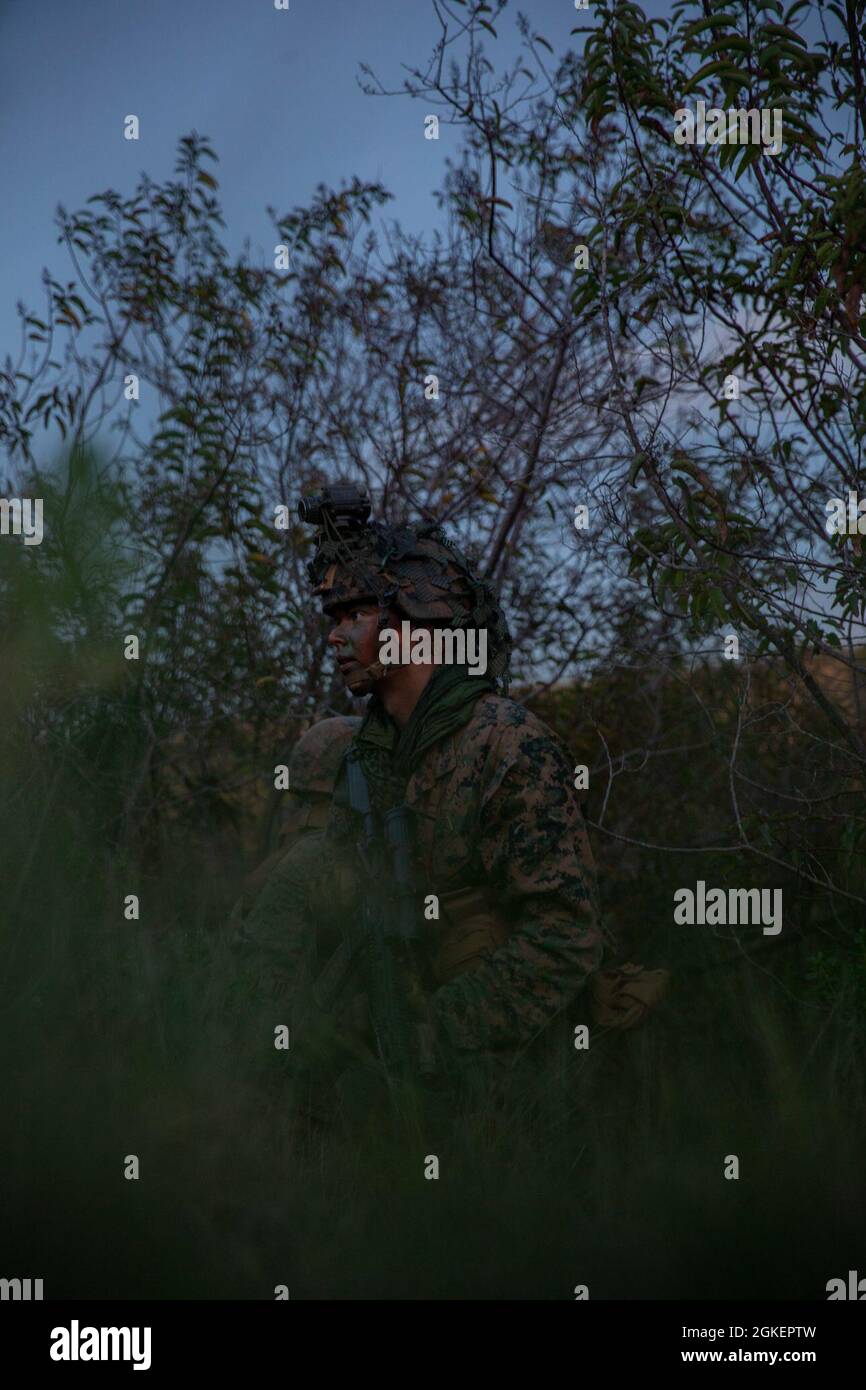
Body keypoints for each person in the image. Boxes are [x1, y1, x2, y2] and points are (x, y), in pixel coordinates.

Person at [285, 487, 606, 1101]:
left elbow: (565, 933)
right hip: (400, 1066)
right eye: (333, 619)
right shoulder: (367, 757)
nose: (335, 637)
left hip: (507, 1078)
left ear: (415, 626)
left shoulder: (507, 744)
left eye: (354, 615)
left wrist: (434, 1034)